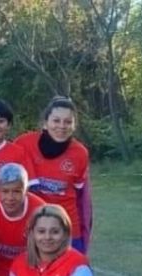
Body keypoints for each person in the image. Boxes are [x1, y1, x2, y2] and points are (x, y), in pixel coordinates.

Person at [14, 96, 92, 253]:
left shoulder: (80, 153)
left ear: (74, 125)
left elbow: (81, 197)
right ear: (45, 122)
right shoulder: (24, 143)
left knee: (73, 275)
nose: (62, 126)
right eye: (56, 121)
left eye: (68, 122)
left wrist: (84, 230)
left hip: (66, 226)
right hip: (36, 226)